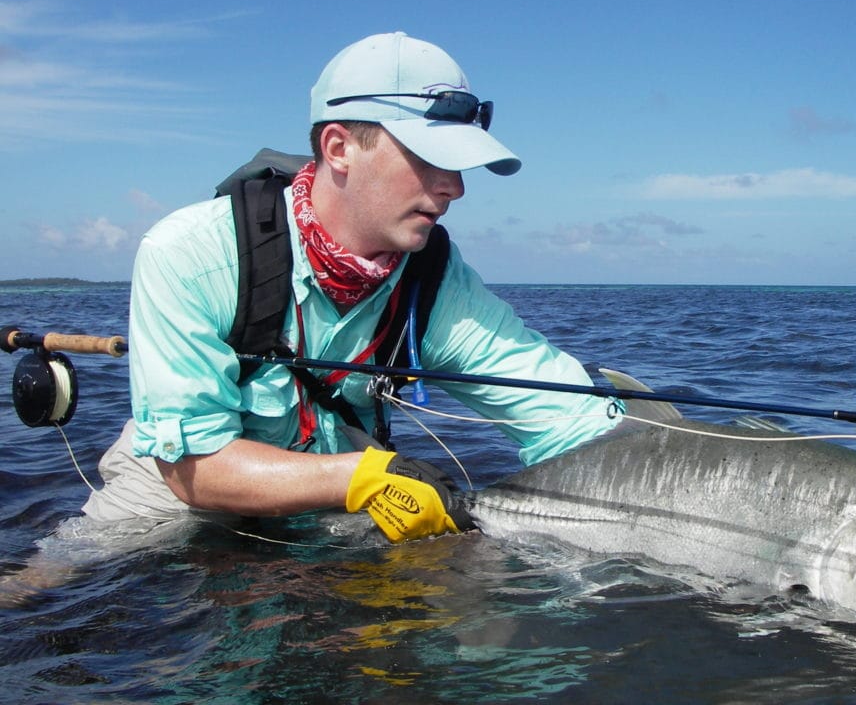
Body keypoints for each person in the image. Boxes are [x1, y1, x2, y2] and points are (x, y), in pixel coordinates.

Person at [81, 32, 619, 543]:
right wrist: (360, 478)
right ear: (339, 147)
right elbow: (194, 467)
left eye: (458, 166)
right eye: (431, 158)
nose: (455, 186)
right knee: (52, 586)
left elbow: (564, 417)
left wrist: (661, 454)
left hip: (342, 492)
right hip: (181, 486)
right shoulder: (186, 252)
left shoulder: (431, 274)